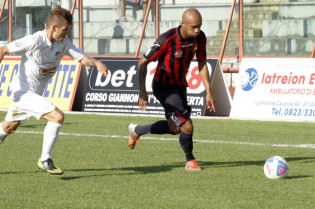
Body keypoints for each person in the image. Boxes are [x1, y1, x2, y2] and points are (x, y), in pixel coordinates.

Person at [0, 7, 108, 175]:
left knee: (8, 128)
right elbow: (3, 49)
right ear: (54, 28)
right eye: (65, 30)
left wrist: (97, 63)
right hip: (23, 93)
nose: (67, 34)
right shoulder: (35, 40)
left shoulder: (63, 43)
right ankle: (45, 159)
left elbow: (82, 59)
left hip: (34, 95)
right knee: (57, 116)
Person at [128, 8, 216, 171]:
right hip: (163, 87)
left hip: (180, 85)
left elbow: (202, 63)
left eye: (199, 26)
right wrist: (142, 90)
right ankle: (190, 161)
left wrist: (209, 91)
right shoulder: (166, 39)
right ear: (183, 24)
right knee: (187, 125)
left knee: (175, 128)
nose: (197, 30)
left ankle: (137, 131)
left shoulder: (200, 38)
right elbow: (142, 61)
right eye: (193, 27)